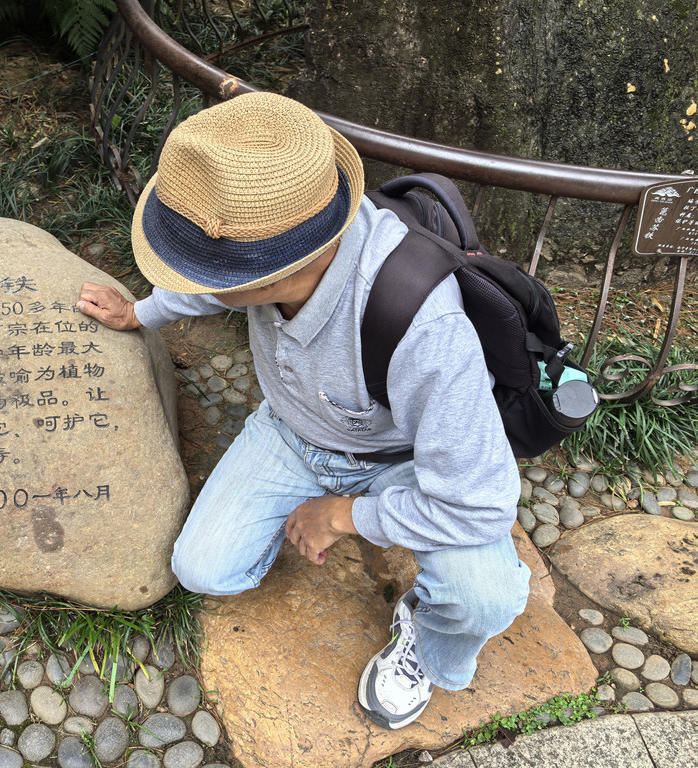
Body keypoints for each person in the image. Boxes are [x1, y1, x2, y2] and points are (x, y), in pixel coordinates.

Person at [77, 91, 531, 730]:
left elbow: (478, 506)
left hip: (404, 460)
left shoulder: (426, 329)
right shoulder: (276, 247)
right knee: (204, 569)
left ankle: (427, 639)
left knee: (484, 599)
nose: (192, 282)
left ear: (281, 269)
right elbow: (210, 288)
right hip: (292, 432)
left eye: (208, 270)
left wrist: (343, 516)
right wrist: (141, 312)